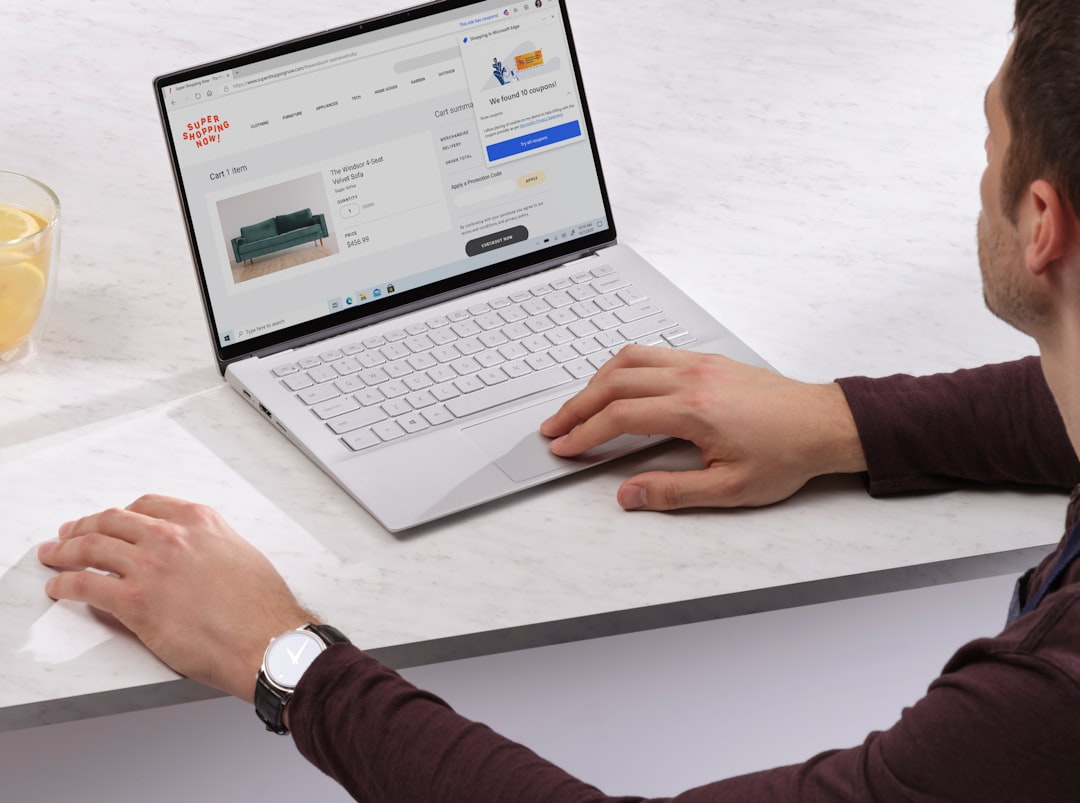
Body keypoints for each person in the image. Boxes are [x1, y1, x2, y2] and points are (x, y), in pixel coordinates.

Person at [36, 0, 1080, 797]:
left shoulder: (1045, 704)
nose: (974, 170)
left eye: (986, 143)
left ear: (1041, 221)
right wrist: (839, 420)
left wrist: (281, 655)